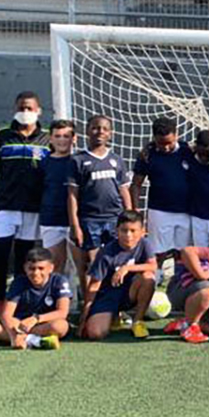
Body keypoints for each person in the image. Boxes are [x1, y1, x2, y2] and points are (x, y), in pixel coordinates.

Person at [0, 91, 50, 303]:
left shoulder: (48, 138)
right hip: (5, 204)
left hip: (33, 207)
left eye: (29, 108)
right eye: (21, 108)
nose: (25, 112)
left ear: (38, 111)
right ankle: (0, 299)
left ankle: (20, 300)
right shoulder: (3, 136)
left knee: (25, 256)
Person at [67, 116, 134, 301]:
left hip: (115, 219)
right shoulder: (78, 160)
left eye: (104, 129)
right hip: (89, 219)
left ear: (110, 133)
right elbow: (72, 195)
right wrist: (75, 225)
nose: (100, 132)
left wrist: (130, 216)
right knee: (94, 263)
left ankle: (115, 303)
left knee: (117, 261)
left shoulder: (116, 160)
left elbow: (124, 190)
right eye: (95, 128)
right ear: (87, 131)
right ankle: (91, 302)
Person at [78, 210, 157, 341]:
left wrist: (127, 268)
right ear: (116, 231)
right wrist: (84, 317)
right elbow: (94, 286)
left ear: (142, 231)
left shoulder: (144, 244)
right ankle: (114, 317)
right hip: (108, 296)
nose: (128, 235)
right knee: (95, 333)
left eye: (133, 231)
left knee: (148, 278)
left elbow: (153, 266)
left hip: (130, 292)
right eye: (124, 230)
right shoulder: (106, 253)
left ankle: (137, 322)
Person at [0, 247, 71, 350]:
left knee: (61, 326)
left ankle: (7, 339)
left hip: (42, 324)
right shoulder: (19, 282)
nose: (36, 273)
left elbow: (62, 312)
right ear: (25, 268)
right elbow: (6, 314)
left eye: (41, 268)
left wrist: (35, 319)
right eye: (32, 268)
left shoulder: (59, 281)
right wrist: (14, 334)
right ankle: (35, 341)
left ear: (51, 268)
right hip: (18, 325)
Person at [131, 116, 191, 267]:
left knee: (183, 252)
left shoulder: (188, 150)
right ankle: (153, 281)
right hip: (159, 211)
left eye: (168, 143)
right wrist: (135, 209)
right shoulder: (147, 154)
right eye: (160, 143)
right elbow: (136, 184)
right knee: (157, 252)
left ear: (176, 135)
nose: (165, 147)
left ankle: (180, 284)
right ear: (154, 138)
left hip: (186, 210)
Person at [38, 120, 78, 274]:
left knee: (82, 266)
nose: (62, 140)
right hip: (51, 220)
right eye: (58, 136)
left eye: (66, 136)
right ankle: (57, 297)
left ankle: (83, 298)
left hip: (77, 221)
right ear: (51, 138)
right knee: (55, 265)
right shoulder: (44, 163)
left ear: (74, 139)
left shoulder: (80, 161)